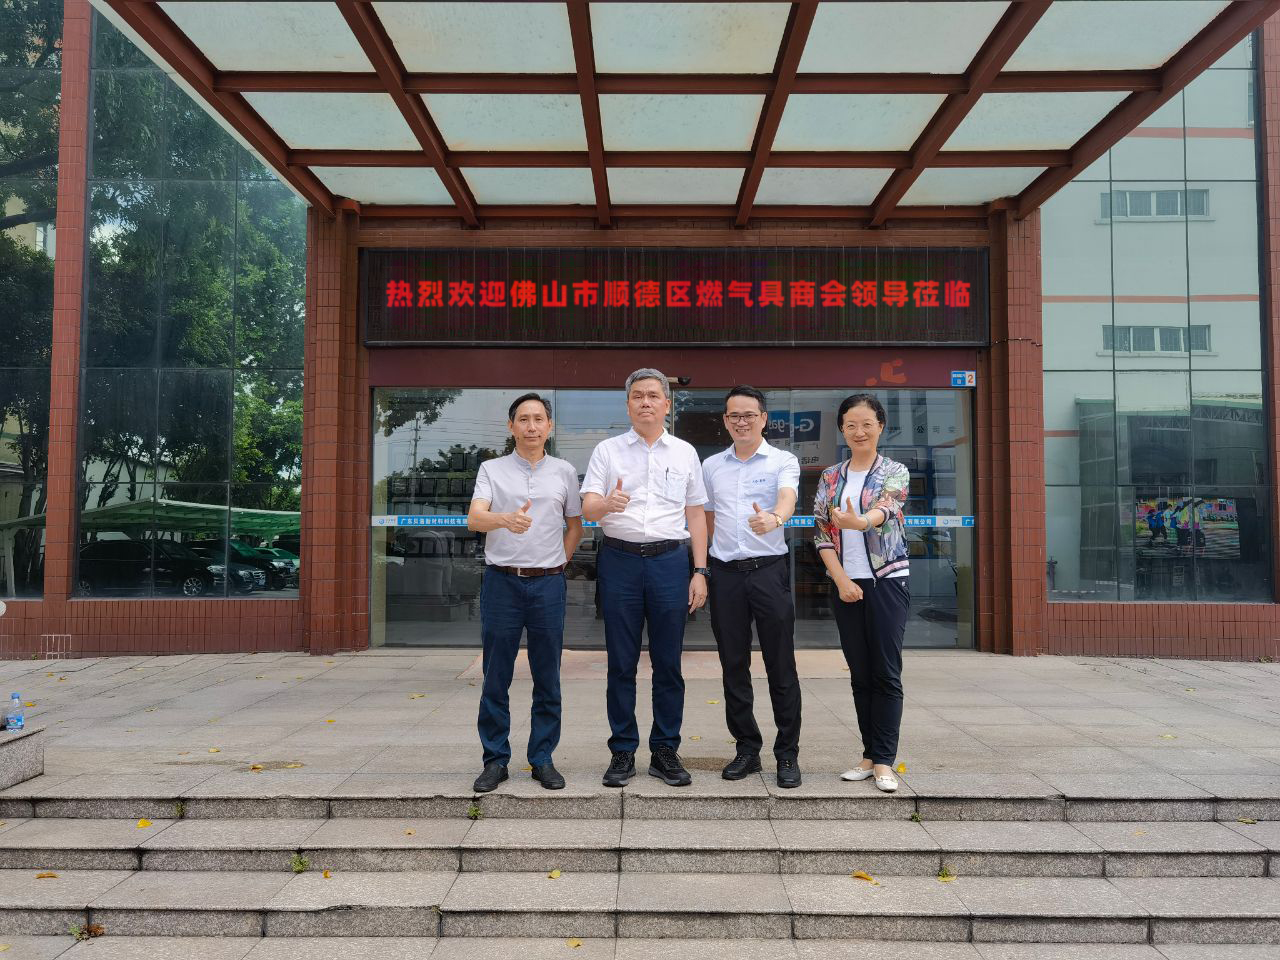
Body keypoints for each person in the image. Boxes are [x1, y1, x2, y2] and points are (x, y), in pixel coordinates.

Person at [581, 368, 709, 788]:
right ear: (628, 405)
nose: (646, 402)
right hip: (619, 561)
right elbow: (588, 509)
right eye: (638, 396)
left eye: (654, 395)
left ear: (667, 404)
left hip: (670, 562)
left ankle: (665, 750)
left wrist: (700, 571)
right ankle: (622, 751)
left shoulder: (684, 453)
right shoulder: (607, 451)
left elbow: (695, 515)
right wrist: (607, 504)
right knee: (621, 662)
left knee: (668, 663)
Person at [466, 393, 583, 793]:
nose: (531, 426)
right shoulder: (492, 469)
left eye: (538, 419)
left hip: (548, 583)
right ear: (511, 426)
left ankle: (542, 758)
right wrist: (505, 520)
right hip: (502, 582)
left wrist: (559, 562)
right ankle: (495, 760)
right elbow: (474, 518)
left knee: (547, 675)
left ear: (549, 426)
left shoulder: (564, 471)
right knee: (495, 676)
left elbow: (575, 526)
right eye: (523, 419)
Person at [701, 385, 803, 787]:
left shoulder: (783, 460)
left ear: (763, 418)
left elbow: (787, 498)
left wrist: (775, 518)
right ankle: (747, 749)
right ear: (726, 421)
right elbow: (707, 517)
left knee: (781, 665)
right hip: (726, 574)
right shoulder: (712, 465)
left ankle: (787, 754)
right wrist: (705, 565)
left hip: (768, 572)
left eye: (748, 415)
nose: (741, 422)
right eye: (734, 416)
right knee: (733, 665)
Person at [812, 393, 910, 793]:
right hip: (846, 582)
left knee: (885, 672)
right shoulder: (830, 477)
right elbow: (821, 533)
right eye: (851, 424)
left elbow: (888, 508)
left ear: (880, 426)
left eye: (867, 424)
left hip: (887, 580)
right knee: (860, 673)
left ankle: (885, 760)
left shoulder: (894, 471)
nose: (859, 431)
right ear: (842, 429)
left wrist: (861, 521)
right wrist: (841, 581)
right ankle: (869, 756)